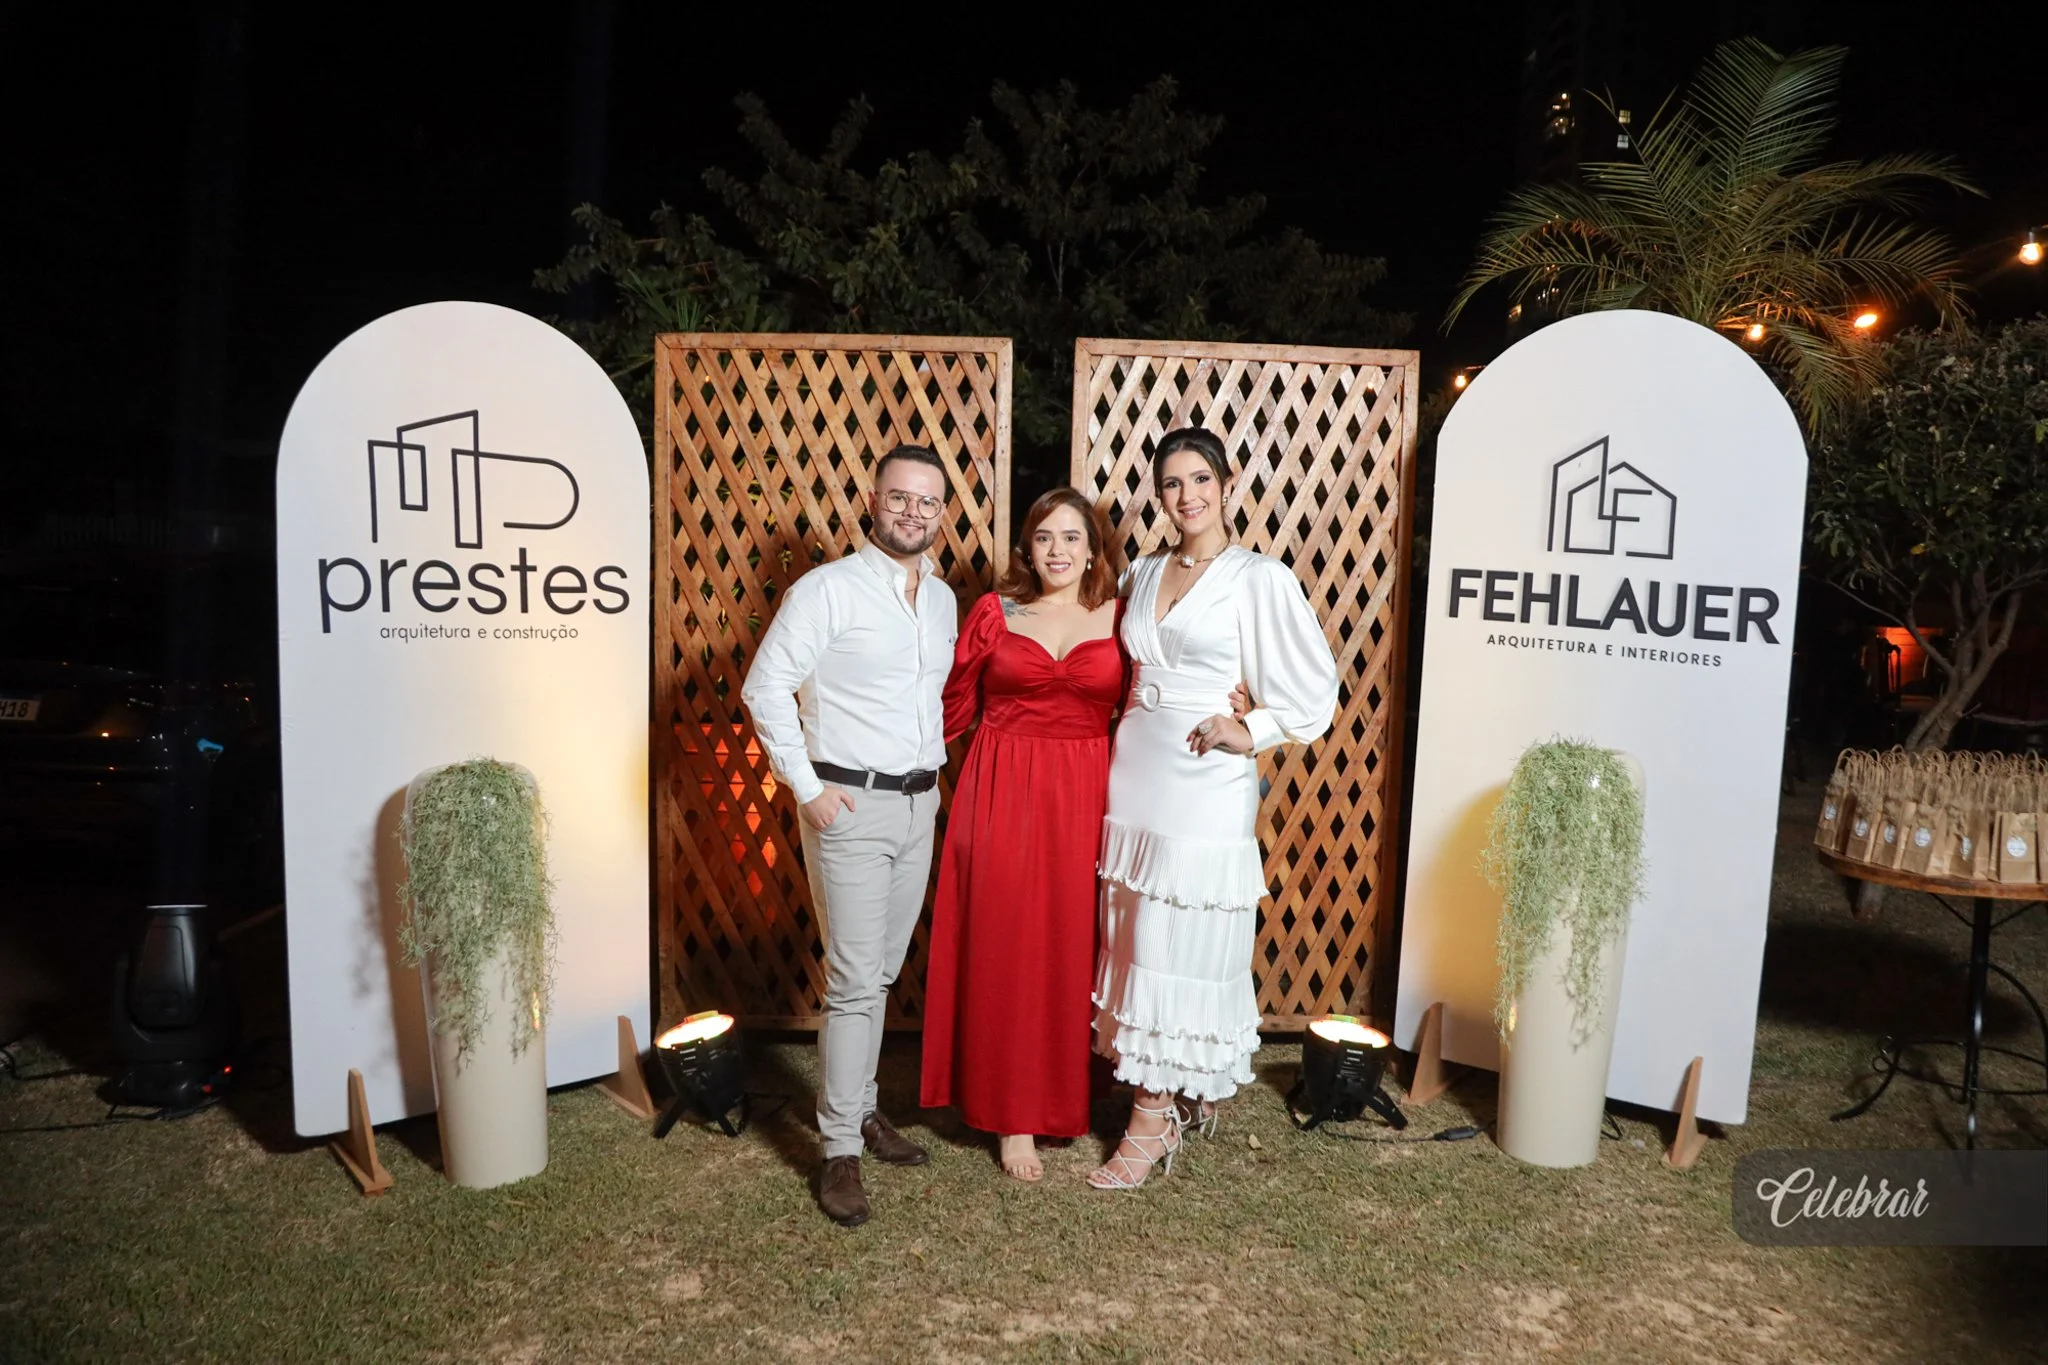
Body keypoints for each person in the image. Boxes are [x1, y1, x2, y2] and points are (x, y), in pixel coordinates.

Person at [1088, 427, 1340, 1190]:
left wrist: (1251, 728)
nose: (1187, 495)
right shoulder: (1140, 572)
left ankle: (1152, 1116)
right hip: (1135, 769)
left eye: (1201, 479)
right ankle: (1173, 1085)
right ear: (1159, 494)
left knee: (1179, 934)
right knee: (1137, 926)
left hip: (1204, 776)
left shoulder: (1258, 578)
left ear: (1227, 485)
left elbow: (1315, 689)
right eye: (1172, 483)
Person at [739, 444, 958, 1228]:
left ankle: (862, 1110)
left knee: (881, 972)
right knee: (856, 980)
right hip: (850, 806)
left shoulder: (942, 600)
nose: (911, 512)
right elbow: (764, 686)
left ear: (941, 513)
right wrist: (808, 790)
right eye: (899, 497)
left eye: (926, 501)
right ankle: (839, 1149)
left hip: (918, 803)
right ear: (874, 500)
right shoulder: (827, 590)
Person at [920, 488, 1127, 1182]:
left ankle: (1072, 1095)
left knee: (1075, 944)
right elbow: (947, 705)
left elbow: (1157, 701)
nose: (1057, 550)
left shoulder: (1124, 617)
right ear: (1027, 550)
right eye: (1044, 537)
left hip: (1089, 795)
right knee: (1006, 942)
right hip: (1001, 789)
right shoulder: (995, 613)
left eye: (1071, 537)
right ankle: (1013, 1115)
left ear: (1093, 549)